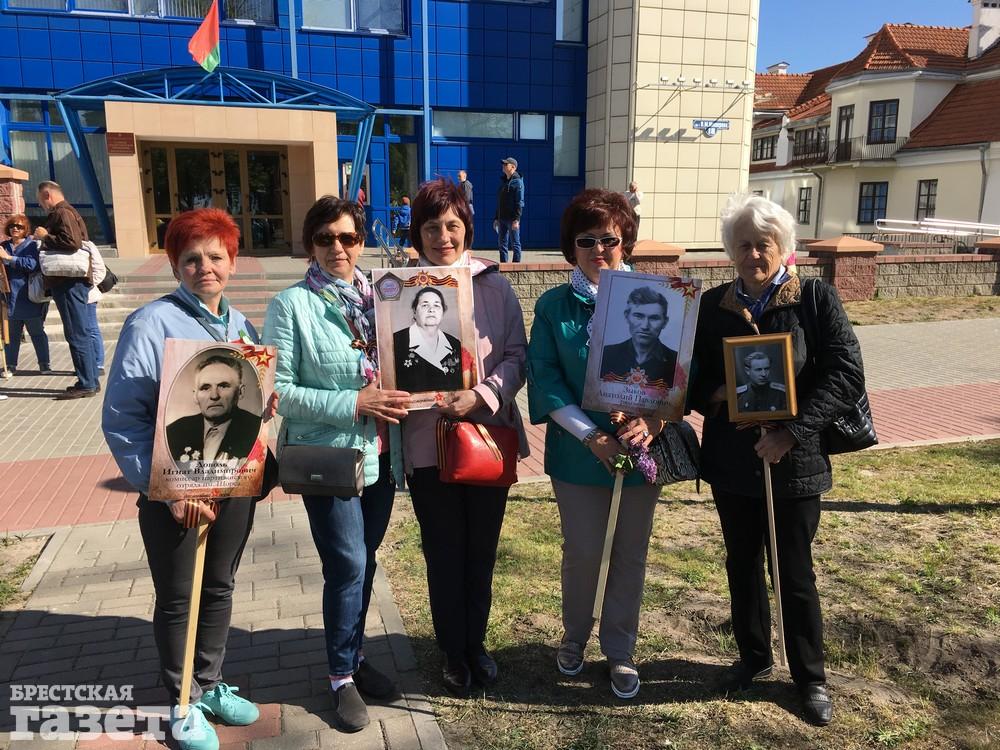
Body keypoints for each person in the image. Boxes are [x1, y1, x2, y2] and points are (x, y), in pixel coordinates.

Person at [688, 193, 866, 727]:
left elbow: (845, 374)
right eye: (743, 245)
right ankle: (753, 658)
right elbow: (688, 376)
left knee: (793, 569)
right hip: (732, 460)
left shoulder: (814, 298)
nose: (753, 254)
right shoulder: (712, 305)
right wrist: (720, 392)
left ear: (782, 246)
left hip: (794, 461)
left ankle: (809, 677)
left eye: (763, 244)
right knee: (741, 564)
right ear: (731, 251)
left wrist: (792, 431)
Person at [102, 208, 265, 750]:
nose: (205, 267)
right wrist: (168, 491)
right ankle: (182, 701)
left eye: (216, 256)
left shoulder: (240, 326)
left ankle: (210, 684)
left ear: (232, 263)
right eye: (191, 258)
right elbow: (123, 417)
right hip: (174, 493)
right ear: (175, 266)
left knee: (218, 586)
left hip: (231, 485)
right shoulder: (150, 324)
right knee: (178, 597)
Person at [263, 196, 410, 733]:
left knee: (365, 562)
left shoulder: (386, 296)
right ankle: (340, 677)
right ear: (311, 244)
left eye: (347, 238)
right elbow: (278, 389)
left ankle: (357, 654)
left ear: (361, 241)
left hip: (383, 454)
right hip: (328, 455)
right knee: (346, 564)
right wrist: (353, 402)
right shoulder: (290, 305)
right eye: (325, 238)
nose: (337, 248)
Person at [527, 188, 667, 700]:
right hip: (579, 453)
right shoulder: (554, 306)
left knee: (630, 553)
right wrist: (592, 436)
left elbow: (680, 372)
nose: (598, 250)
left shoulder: (661, 299)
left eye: (608, 239)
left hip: (640, 448)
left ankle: (620, 649)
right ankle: (574, 637)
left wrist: (653, 423)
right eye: (586, 240)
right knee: (584, 552)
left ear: (625, 241)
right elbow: (544, 378)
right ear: (572, 247)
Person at [402, 178, 528, 696]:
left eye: (452, 226)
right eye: (432, 227)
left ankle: (477, 644)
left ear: (468, 229)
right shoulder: (399, 291)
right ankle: (452, 651)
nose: (443, 237)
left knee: (481, 553)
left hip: (485, 440)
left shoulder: (495, 286)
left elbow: (517, 357)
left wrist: (482, 395)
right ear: (418, 233)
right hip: (425, 443)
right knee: (443, 552)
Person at [34, 181, 99, 398]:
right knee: (80, 331)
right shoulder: (67, 212)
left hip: (69, 282)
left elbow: (72, 242)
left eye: (39, 200)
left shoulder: (62, 212)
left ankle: (86, 383)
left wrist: (45, 236)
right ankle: (90, 380)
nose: (40, 205)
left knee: (76, 332)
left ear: (47, 195)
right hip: (71, 281)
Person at [166, 355, 261, 464]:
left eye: (223, 386)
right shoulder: (173, 432)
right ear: (195, 396)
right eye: (205, 388)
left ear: (240, 392)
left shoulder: (258, 430)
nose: (214, 396)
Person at [0, 214, 52, 375]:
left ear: (25, 229)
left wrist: (9, 258)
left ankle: (44, 364)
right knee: (11, 334)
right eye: (12, 226)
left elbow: (32, 264)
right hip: (9, 298)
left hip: (29, 297)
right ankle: (10, 365)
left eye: (19, 226)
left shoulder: (31, 245)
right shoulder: (3, 246)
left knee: (37, 332)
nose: (15, 228)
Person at [599, 285, 677, 388]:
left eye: (654, 318)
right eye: (638, 316)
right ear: (627, 316)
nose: (645, 326)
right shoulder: (605, 355)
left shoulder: (676, 362)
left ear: (665, 322)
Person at [392, 286, 464, 394]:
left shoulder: (455, 344)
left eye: (437, 305)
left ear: (443, 312)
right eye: (425, 305)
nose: (431, 310)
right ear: (414, 311)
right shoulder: (395, 342)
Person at [494, 157, 524, 263]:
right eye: (503, 164)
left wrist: (516, 219)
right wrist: (496, 218)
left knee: (515, 243)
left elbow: (520, 202)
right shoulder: (504, 182)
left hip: (512, 219)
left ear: (513, 167)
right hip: (501, 218)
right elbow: (500, 202)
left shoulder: (518, 182)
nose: (503, 166)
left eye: (506, 164)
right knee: (502, 244)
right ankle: (504, 266)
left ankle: (516, 267)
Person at [84, 241, 107, 375]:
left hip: (88, 296)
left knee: (92, 329)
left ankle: (98, 364)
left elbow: (100, 271)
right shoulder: (57, 244)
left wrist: (86, 287)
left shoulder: (87, 245)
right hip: (70, 297)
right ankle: (85, 365)